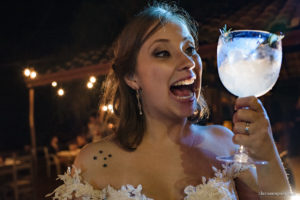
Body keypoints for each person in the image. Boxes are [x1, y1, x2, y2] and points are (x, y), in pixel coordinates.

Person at [47, 2, 292, 199]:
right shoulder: (95, 161)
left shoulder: (226, 144)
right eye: (162, 52)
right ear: (132, 77)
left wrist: (267, 152)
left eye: (190, 49)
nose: (188, 63)